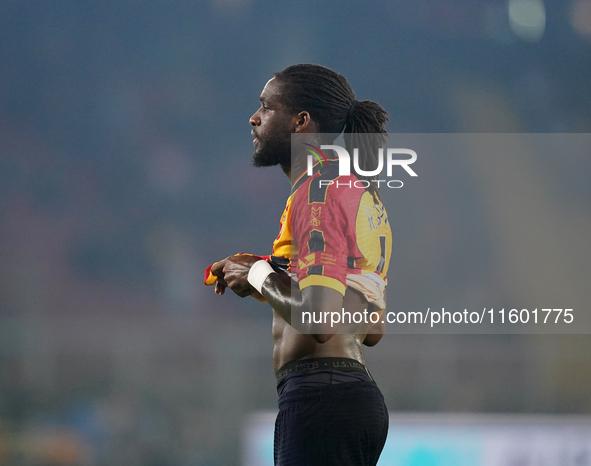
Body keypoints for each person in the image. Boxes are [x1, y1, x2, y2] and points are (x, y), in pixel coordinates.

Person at [207, 64, 391, 466]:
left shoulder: (318, 193)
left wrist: (258, 273)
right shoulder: (354, 191)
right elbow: (370, 327)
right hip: (347, 398)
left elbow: (321, 322)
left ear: (301, 121)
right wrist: (257, 271)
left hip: (320, 399)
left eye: (266, 107)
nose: (253, 118)